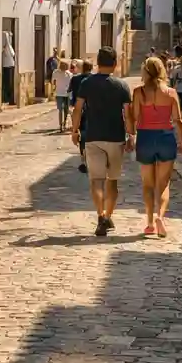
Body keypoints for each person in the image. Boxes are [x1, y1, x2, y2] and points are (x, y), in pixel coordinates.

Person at [70, 47, 134, 237]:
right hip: (115, 137)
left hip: (93, 137)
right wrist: (131, 134)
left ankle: (100, 217)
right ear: (115, 64)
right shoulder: (122, 85)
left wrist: (74, 131)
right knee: (112, 181)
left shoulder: (87, 83)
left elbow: (77, 109)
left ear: (98, 62)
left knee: (96, 181)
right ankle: (108, 215)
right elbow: (128, 114)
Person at [131, 56, 182, 238]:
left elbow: (134, 117)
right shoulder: (171, 93)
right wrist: (181, 142)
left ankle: (148, 223)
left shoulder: (139, 92)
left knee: (148, 184)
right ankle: (160, 217)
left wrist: (131, 135)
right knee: (163, 184)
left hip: (146, 137)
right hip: (166, 137)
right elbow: (178, 120)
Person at [67, 59, 92, 172]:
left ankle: (83, 158)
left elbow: (70, 92)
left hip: (79, 108)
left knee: (80, 133)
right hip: (91, 109)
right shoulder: (93, 79)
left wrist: (71, 105)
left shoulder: (75, 79)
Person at [52, 59, 74, 131]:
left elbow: (53, 82)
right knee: (66, 110)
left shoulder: (55, 72)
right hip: (67, 94)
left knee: (60, 110)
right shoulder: (69, 74)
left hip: (59, 93)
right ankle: (63, 124)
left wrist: (54, 88)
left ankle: (61, 125)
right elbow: (71, 84)